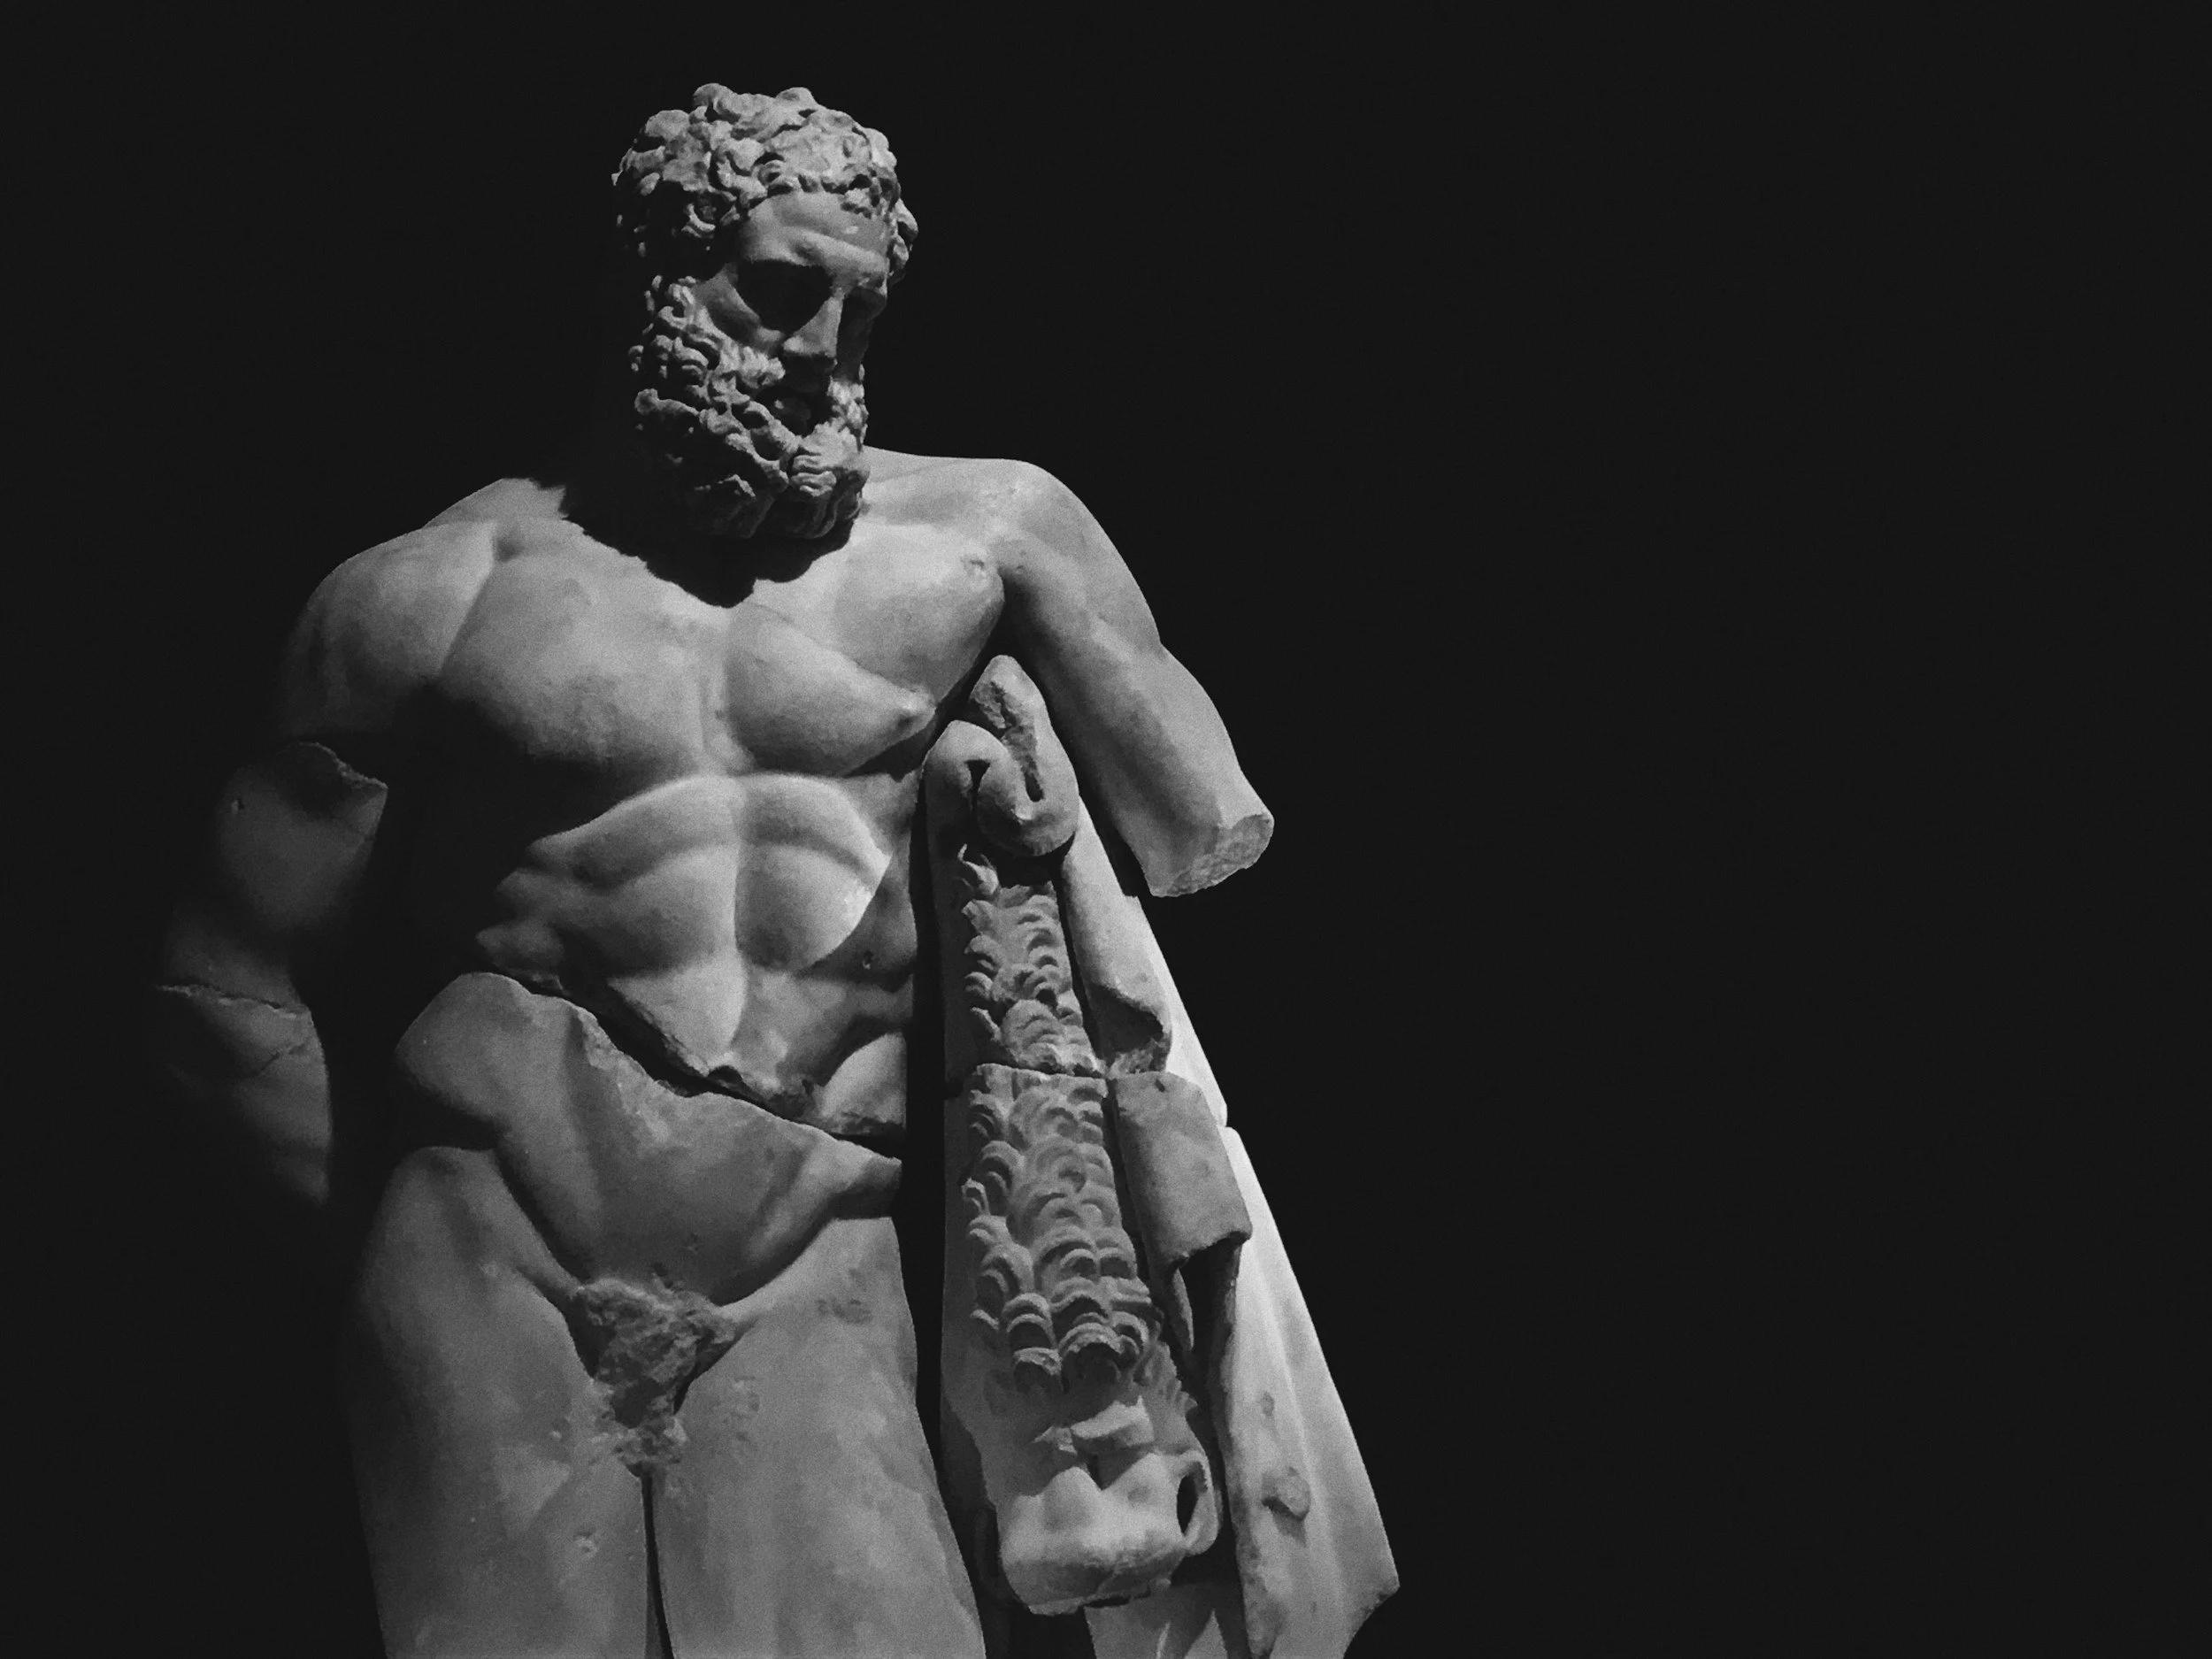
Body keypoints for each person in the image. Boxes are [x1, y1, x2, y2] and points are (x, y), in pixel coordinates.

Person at [155, 86, 1380, 1657]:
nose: (823, 353)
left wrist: (1045, 745)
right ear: (655, 278)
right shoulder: (429, 597)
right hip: (488, 1263)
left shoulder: (983, 540)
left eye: (864, 311)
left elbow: (1197, 822)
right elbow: (216, 991)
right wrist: (386, 1248)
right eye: (781, 290)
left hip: (811, 1260)